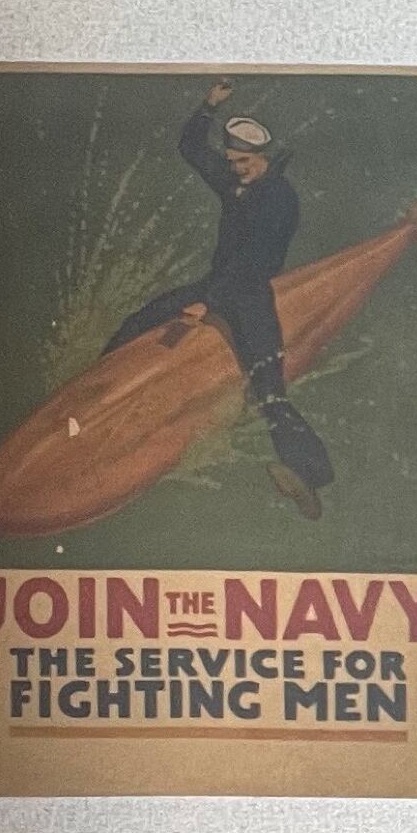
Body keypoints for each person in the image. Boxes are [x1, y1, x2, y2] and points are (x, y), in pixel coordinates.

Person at [103, 80, 335, 515]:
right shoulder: (234, 182)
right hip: (215, 286)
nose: (237, 169)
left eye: (245, 162)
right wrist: (209, 105)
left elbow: (253, 262)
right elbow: (191, 147)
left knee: (268, 390)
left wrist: (208, 304)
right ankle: (97, 393)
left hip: (249, 297)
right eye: (232, 161)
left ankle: (309, 475)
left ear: (264, 158)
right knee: (140, 321)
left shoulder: (281, 199)